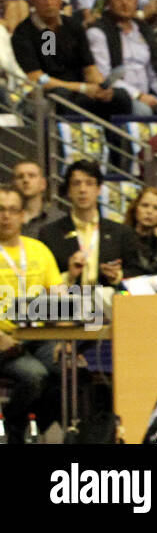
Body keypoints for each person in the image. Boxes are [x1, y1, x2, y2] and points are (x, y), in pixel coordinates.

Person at [13, 0, 134, 120]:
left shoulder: (73, 26)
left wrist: (101, 88)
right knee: (60, 96)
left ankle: (114, 141)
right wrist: (82, 88)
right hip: (51, 91)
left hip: (80, 91)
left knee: (120, 97)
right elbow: (38, 78)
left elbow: (90, 69)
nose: (49, 2)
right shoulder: (24, 33)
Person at [0, 182, 63, 446]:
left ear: (23, 215)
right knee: (35, 376)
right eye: (0, 210)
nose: (6, 216)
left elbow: (59, 296)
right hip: (5, 341)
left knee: (69, 372)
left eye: (13, 210)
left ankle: (29, 425)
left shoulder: (38, 249)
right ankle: (13, 427)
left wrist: (64, 337)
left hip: (41, 336)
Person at [38, 160, 141, 287]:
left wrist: (117, 275)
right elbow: (41, 281)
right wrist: (69, 276)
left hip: (109, 303)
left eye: (89, 183)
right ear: (69, 191)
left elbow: (137, 273)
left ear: (98, 190)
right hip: (68, 304)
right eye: (76, 184)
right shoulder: (50, 234)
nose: (82, 190)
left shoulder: (121, 233)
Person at [86, 0, 157, 116]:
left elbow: (154, 75)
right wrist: (138, 96)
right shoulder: (98, 32)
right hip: (119, 98)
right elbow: (105, 77)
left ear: (136, 1)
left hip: (148, 94)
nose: (124, 3)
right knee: (143, 111)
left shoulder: (143, 29)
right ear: (109, 2)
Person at [124, 185, 157, 278]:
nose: (149, 211)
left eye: (156, 208)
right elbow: (146, 270)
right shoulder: (124, 236)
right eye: (145, 205)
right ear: (135, 208)